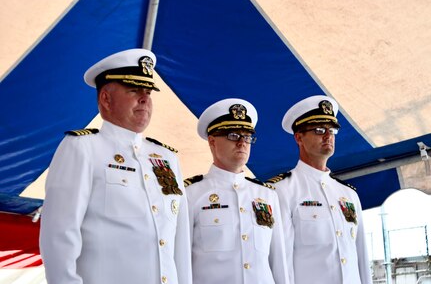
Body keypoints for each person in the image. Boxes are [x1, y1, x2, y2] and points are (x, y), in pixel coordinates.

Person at [40, 49, 192, 284]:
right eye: (134, 90)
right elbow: (59, 235)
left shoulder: (167, 158)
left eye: (148, 92)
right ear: (105, 99)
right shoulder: (82, 148)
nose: (144, 98)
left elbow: (179, 243)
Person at [266, 95, 372, 284]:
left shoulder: (348, 194)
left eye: (332, 130)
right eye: (319, 130)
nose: (327, 136)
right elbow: (281, 263)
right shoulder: (281, 191)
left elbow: (361, 258)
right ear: (299, 137)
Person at [184, 98, 290, 284]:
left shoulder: (267, 195)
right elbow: (181, 260)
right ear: (212, 141)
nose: (242, 142)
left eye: (247, 136)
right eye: (233, 135)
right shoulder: (191, 194)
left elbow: (279, 262)